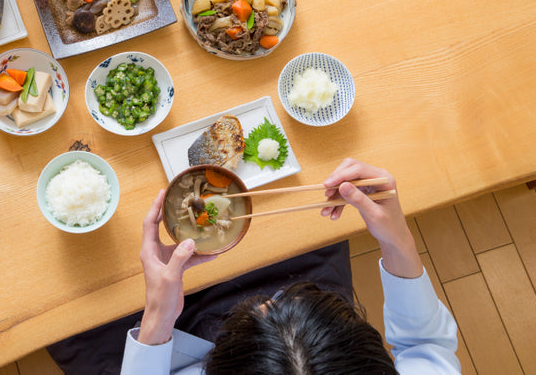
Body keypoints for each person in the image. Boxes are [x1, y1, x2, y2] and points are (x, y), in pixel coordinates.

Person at [118, 158, 461, 374]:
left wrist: (156, 322)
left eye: (265, 309)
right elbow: (425, 344)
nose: (278, 296)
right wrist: (396, 238)